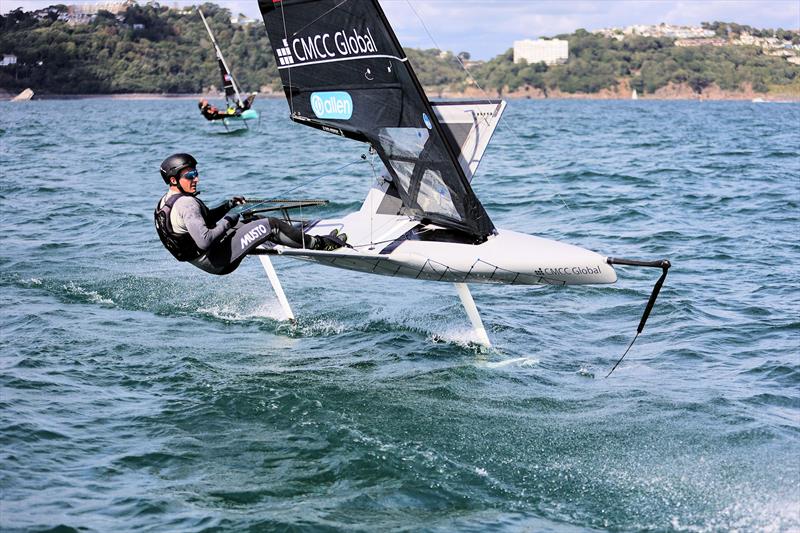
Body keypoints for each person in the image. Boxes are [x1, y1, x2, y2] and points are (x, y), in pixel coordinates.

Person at [154, 153, 347, 275]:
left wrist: (228, 205)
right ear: (173, 180)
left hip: (206, 259)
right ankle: (321, 244)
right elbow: (205, 239)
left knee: (254, 221)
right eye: (189, 176)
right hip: (216, 261)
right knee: (270, 224)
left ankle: (282, 237)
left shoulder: (166, 202)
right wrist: (229, 220)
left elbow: (201, 222)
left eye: (195, 172)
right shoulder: (187, 204)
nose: (196, 178)